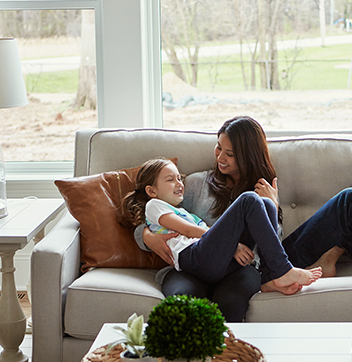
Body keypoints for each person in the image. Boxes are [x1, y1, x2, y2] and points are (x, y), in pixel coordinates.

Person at [134, 116, 302, 322]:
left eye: (230, 154)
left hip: (238, 269)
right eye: (218, 148)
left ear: (248, 157)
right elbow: (155, 210)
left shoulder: (263, 192)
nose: (220, 157)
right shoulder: (195, 184)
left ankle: (229, 353)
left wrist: (273, 206)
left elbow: (270, 244)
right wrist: (146, 236)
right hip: (194, 266)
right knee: (182, 300)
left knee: (230, 302)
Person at [126, 158, 321, 293]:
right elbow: (187, 230)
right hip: (194, 258)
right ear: (151, 190)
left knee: (267, 204)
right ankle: (283, 269)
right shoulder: (155, 205)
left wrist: (229, 244)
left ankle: (272, 277)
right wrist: (231, 244)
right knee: (249, 199)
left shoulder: (185, 212)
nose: (179, 183)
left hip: (215, 261)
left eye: (179, 178)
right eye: (171, 179)